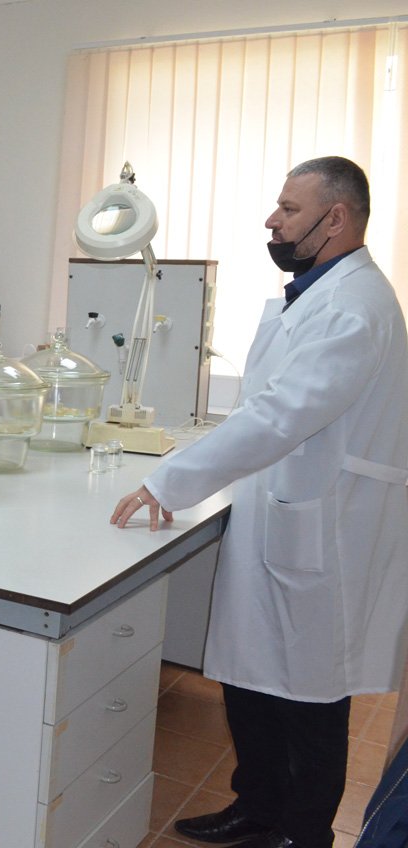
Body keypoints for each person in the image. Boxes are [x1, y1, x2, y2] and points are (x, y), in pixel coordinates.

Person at [110, 157, 408, 848]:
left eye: (289, 209)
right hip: (285, 508)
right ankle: (257, 806)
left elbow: (279, 416)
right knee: (251, 682)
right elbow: (266, 406)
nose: (272, 220)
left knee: (310, 697)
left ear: (337, 218)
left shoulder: (355, 308)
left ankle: (303, 833)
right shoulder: (315, 293)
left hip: (325, 527)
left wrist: (167, 481)